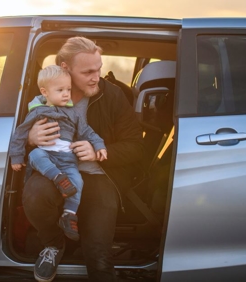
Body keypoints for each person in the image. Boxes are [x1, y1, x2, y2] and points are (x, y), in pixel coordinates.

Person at [22, 36, 144, 282]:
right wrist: (30, 139)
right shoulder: (44, 95)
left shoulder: (112, 96)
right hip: (55, 171)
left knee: (99, 259)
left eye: (98, 69)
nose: (96, 76)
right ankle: (53, 245)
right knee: (35, 194)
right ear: (65, 68)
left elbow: (136, 147)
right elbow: (12, 139)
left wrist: (100, 152)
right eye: (87, 71)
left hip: (100, 177)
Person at [9, 65, 108, 241]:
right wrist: (16, 156)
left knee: (78, 181)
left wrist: (99, 146)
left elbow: (88, 132)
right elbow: (20, 134)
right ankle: (57, 178)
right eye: (60, 90)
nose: (66, 94)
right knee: (35, 156)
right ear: (45, 92)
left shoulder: (73, 113)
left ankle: (69, 214)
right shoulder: (37, 111)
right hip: (46, 155)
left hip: (67, 159)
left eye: (68, 89)